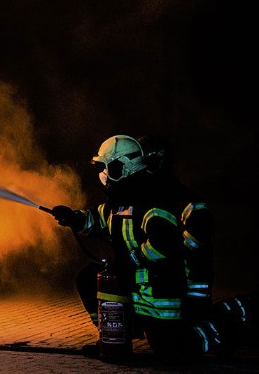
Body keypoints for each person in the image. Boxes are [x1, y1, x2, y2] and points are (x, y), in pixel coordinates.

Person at [51, 134, 252, 362]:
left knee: (175, 351)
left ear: (120, 168)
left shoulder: (158, 200)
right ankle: (111, 336)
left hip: (166, 288)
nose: (103, 175)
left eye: (106, 168)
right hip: (142, 286)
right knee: (89, 278)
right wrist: (74, 218)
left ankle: (231, 320)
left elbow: (167, 245)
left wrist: (131, 261)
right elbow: (99, 219)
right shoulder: (121, 201)